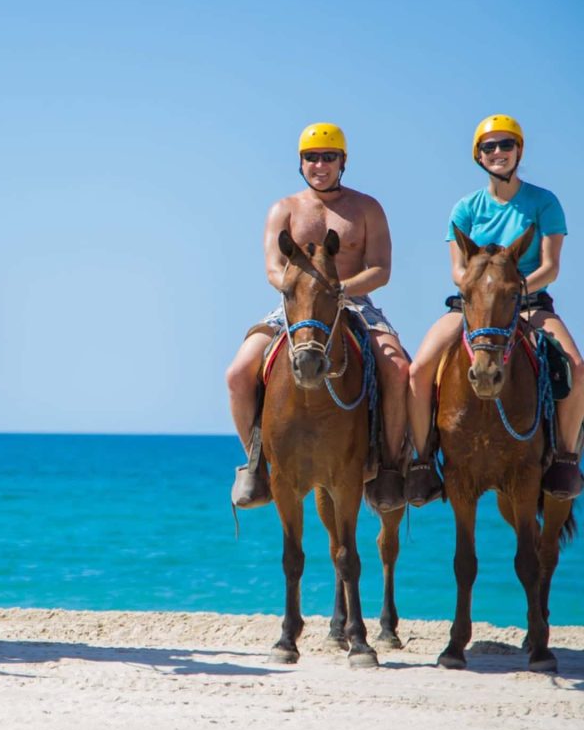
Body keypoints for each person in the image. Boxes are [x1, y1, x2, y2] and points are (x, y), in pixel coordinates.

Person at [226, 123, 410, 514]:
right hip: (294, 306)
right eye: (312, 157)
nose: (320, 164)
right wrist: (300, 289)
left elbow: (381, 268)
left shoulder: (367, 208)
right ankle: (256, 466)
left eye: (329, 157)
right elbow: (274, 268)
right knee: (238, 374)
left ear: (343, 162)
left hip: (354, 300)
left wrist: (340, 289)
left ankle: (391, 467)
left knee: (398, 371)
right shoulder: (284, 209)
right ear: (301, 163)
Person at [406, 114, 584, 505]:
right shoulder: (465, 209)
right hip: (473, 305)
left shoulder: (544, 202)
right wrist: (483, 293)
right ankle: (421, 463)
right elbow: (457, 270)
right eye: (490, 147)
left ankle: (566, 459)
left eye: (506, 145)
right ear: (479, 156)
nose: (498, 152)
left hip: (529, 302)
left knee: (574, 364)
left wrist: (514, 292)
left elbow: (550, 266)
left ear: (519, 150)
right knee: (418, 370)